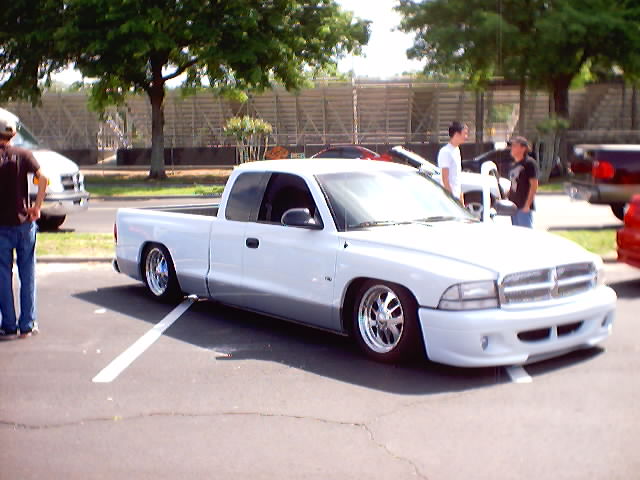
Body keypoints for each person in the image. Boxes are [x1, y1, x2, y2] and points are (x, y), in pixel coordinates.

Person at [0, 109, 48, 340]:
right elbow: (43, 178)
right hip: (24, 223)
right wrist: (36, 207)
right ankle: (27, 324)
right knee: (27, 273)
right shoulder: (24, 154)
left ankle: (8, 325)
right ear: (13, 134)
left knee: (2, 274)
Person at [507, 136, 539, 228]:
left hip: (523, 207)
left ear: (523, 148)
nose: (511, 148)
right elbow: (514, 184)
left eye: (514, 146)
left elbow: (534, 185)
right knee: (517, 233)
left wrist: (527, 205)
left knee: (526, 232)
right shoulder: (513, 165)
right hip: (513, 206)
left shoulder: (529, 163)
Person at [437, 121, 468, 204]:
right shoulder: (446, 152)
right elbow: (445, 179)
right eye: (464, 134)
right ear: (457, 134)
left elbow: (456, 176)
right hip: (449, 199)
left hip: (456, 197)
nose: (466, 137)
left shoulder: (457, 150)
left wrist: (460, 198)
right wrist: (452, 199)